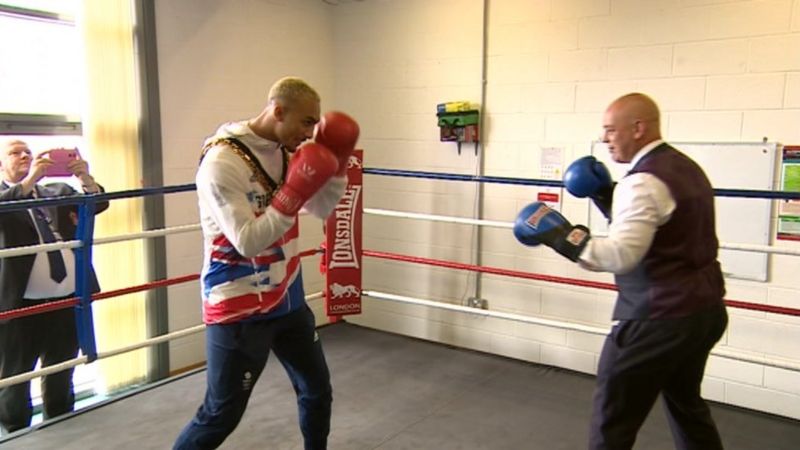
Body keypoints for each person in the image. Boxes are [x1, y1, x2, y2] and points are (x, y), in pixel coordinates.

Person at [513, 93, 728, 449]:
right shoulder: (685, 167)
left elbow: (621, 255)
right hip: (704, 313)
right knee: (687, 405)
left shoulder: (641, 183)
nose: (604, 138)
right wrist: (604, 194)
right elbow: (660, 223)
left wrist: (559, 235)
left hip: (656, 320)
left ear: (639, 128)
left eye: (611, 130)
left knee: (611, 422)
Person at [173, 77, 359, 450]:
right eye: (306, 122)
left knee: (317, 391)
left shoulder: (289, 150)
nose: (311, 133)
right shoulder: (221, 162)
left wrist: (335, 168)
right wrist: (291, 194)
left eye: (315, 124)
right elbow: (248, 241)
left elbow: (319, 208)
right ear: (277, 111)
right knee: (222, 412)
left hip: (287, 298)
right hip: (238, 307)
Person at [0, 139, 108, 434]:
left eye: (28, 153)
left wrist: (84, 177)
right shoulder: (4, 196)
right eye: (15, 153)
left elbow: (99, 203)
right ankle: (15, 431)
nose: (24, 156)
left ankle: (61, 426)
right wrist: (31, 179)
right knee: (15, 373)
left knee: (61, 367)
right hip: (19, 303)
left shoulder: (58, 192)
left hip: (67, 297)